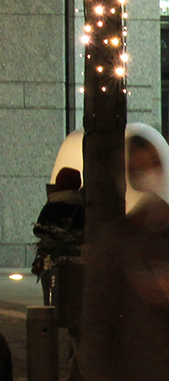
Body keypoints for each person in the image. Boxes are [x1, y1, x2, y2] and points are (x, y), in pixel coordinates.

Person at [79, 129, 169, 381]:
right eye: (137, 169)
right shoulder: (114, 243)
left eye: (154, 165)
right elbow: (97, 325)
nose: (149, 176)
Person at [30, 166, 84, 315]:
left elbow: (39, 229)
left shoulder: (53, 205)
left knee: (51, 291)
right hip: (78, 259)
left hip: (53, 258)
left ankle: (52, 317)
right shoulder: (83, 206)